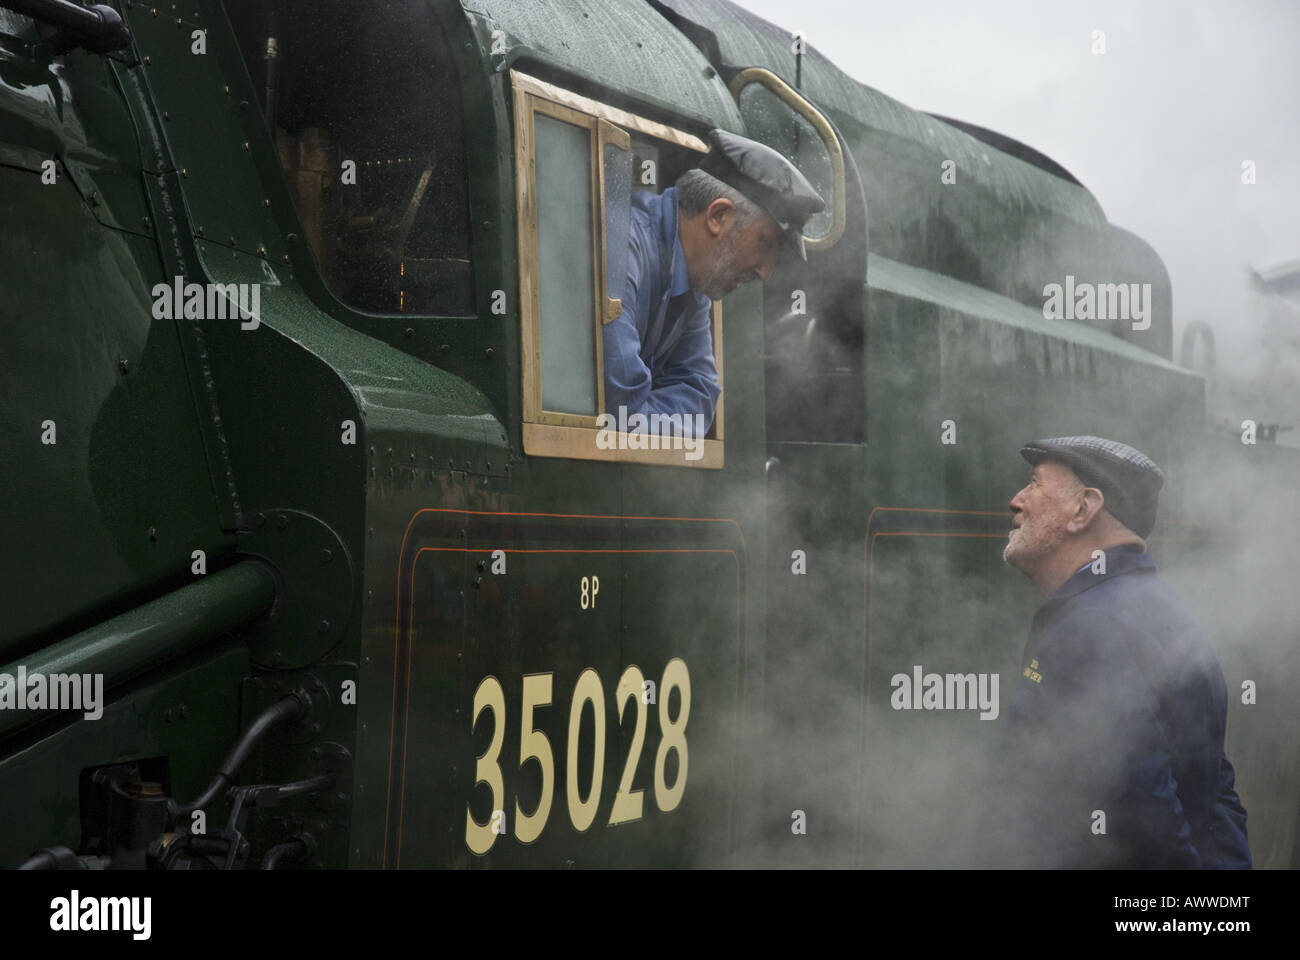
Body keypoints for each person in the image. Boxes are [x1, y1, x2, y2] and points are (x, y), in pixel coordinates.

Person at [977, 435, 1251, 868]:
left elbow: (1142, 825)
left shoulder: (1091, 630)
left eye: (1033, 484)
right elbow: (1218, 797)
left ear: (1084, 508)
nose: (1016, 501)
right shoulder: (1169, 614)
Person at [601, 129, 824, 434]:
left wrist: (647, 417)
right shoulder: (620, 249)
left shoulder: (695, 289)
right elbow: (620, 407)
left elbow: (698, 398)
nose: (765, 272)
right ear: (718, 215)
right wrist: (654, 418)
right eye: (765, 244)